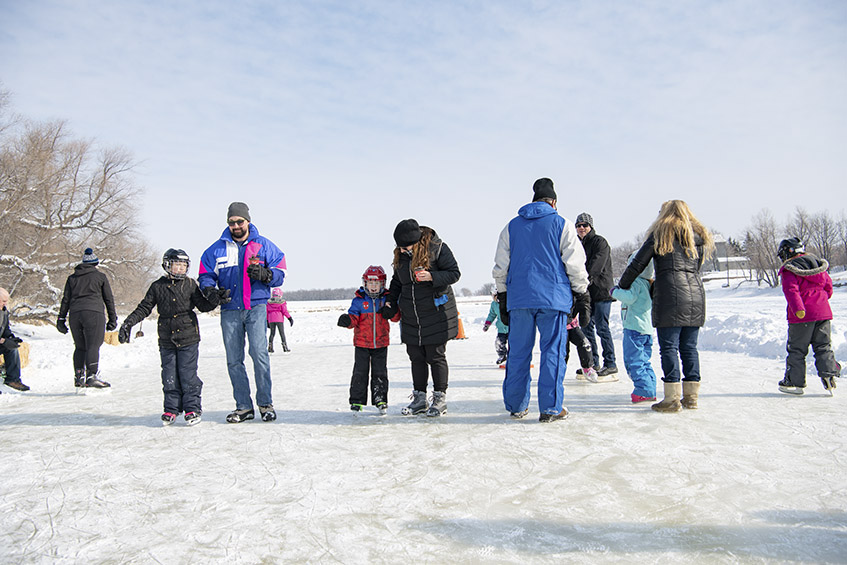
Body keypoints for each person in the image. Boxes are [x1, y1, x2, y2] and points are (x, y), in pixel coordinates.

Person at [492, 178, 591, 422]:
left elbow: (500, 266)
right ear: (554, 201)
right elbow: (575, 263)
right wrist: (582, 293)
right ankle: (550, 408)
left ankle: (516, 405)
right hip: (553, 299)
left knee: (518, 353)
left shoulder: (511, 227)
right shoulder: (562, 224)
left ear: (534, 199)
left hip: (520, 299)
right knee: (552, 353)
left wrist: (503, 296)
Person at [617, 200, 714, 413]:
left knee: (669, 347)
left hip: (670, 295)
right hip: (696, 295)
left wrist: (622, 285)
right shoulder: (697, 237)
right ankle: (691, 397)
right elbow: (695, 268)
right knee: (689, 347)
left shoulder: (661, 233)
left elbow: (638, 264)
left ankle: (671, 399)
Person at [198, 202, 286, 423]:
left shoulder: (263, 245)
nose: (236, 226)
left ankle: (266, 404)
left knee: (259, 354)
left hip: (256, 306)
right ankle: (244, 407)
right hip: (229, 309)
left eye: (239, 221)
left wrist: (266, 275)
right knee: (234, 360)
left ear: (248, 221)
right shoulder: (216, 249)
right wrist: (209, 289)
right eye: (231, 222)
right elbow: (205, 274)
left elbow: (281, 271)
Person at [118, 249, 221, 426]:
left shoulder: (189, 284)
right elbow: (144, 307)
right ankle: (171, 409)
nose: (181, 269)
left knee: (188, 374)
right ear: (168, 265)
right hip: (167, 338)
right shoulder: (157, 286)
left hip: (188, 336)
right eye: (177, 265)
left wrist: (216, 299)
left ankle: (192, 408)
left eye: (183, 266)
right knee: (169, 375)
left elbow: (203, 306)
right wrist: (128, 323)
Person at [381, 219, 460, 417]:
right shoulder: (401, 255)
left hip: (435, 312)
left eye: (406, 246)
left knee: (435, 355)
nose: (403, 249)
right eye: (399, 246)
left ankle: (439, 398)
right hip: (412, 315)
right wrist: (391, 301)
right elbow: (397, 281)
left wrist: (432, 276)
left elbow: (454, 273)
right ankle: (419, 399)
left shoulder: (437, 248)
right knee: (416, 356)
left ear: (417, 242)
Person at [775, 237, 841, 395]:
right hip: (823, 312)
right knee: (823, 346)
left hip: (802, 315)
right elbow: (828, 288)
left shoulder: (789, 269)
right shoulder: (818, 265)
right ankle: (829, 377)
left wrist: (799, 308)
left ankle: (794, 383)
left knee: (797, 349)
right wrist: (821, 301)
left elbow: (791, 291)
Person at [337, 265, 400, 414]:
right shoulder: (358, 301)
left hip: (381, 343)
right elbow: (354, 319)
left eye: (376, 283)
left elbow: (396, 318)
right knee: (360, 372)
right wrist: (347, 321)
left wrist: (392, 311)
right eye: (370, 283)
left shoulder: (386, 299)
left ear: (382, 284)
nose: (373, 287)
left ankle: (380, 399)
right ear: (365, 283)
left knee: (380, 373)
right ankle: (357, 401)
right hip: (361, 343)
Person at [56, 248, 118, 388]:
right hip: (93, 313)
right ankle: (91, 376)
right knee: (93, 345)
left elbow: (66, 299)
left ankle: (79, 377)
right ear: (95, 263)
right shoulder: (100, 277)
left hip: (75, 314)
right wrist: (112, 319)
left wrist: (61, 319)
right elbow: (108, 299)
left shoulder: (72, 278)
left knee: (80, 347)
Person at [575, 212, 618, 379]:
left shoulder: (600, 242)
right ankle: (593, 363)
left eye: (584, 225)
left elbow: (596, 265)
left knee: (602, 327)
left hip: (601, 292)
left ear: (590, 226)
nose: (581, 228)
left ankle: (611, 363)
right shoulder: (578, 245)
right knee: (586, 328)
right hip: (587, 293)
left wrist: (582, 280)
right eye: (578, 226)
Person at [612, 253, 658, 403]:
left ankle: (644, 390)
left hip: (634, 328)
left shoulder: (636, 282)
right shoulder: (647, 283)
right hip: (646, 329)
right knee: (644, 361)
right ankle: (650, 388)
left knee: (634, 361)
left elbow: (630, 298)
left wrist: (615, 292)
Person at [0, 288, 29, 392]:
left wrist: (11, 338)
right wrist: (3, 341)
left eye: (6, 301)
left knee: (12, 348)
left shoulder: (4, 312)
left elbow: (5, 329)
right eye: (3, 301)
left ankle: (13, 379)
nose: (5, 303)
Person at [566, 314, 597, 383]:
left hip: (572, 325)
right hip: (559, 325)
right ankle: (559, 372)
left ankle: (587, 367)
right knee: (563, 351)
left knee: (585, 343)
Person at [483, 293, 509, 364]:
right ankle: (502, 356)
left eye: (496, 296)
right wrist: (487, 324)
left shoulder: (509, 301)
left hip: (511, 328)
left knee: (513, 344)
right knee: (498, 343)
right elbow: (492, 314)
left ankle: (513, 358)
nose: (495, 298)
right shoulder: (494, 304)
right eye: (493, 296)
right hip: (501, 329)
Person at [267, 287, 293, 353]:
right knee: (282, 333)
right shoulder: (282, 302)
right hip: (279, 319)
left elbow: (266, 312)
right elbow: (284, 311)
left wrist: (267, 320)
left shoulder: (268, 303)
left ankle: (270, 347)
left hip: (271, 319)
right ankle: (285, 347)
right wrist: (289, 318)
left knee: (272, 333)